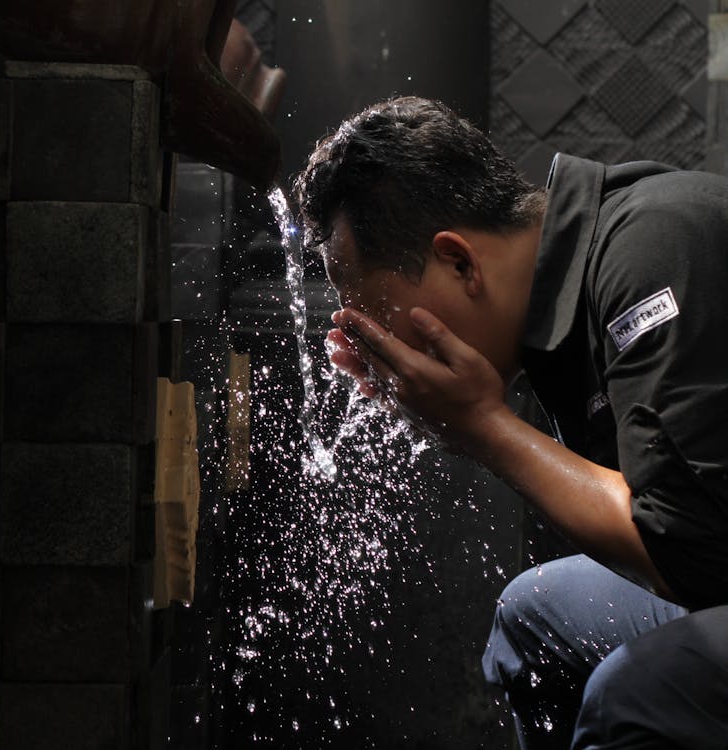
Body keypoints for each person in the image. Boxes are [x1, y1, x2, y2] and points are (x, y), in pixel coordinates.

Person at [293, 96, 728, 748]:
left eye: (378, 316)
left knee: (637, 692)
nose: (379, 346)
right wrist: (467, 420)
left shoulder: (651, 246)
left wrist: (482, 425)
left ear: (459, 262)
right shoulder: (562, 303)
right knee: (536, 612)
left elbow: (692, 553)